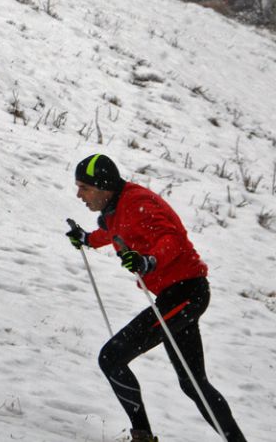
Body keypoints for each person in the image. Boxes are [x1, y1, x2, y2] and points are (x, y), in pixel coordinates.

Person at [65, 154, 246, 442]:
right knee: (193, 384)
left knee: (111, 358)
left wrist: (149, 261)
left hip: (185, 293)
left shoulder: (139, 203)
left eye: (84, 188)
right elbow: (113, 233)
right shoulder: (117, 208)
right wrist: (86, 239)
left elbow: (171, 237)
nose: (79, 195)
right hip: (179, 296)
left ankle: (142, 437)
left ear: (104, 186)